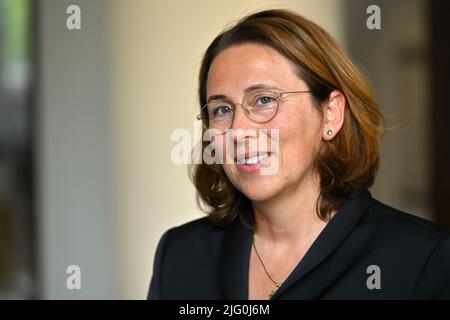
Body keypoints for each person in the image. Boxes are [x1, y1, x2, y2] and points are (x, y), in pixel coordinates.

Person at [148, 9, 450, 300]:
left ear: (331, 114)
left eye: (264, 100)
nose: (238, 130)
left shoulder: (422, 260)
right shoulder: (180, 254)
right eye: (222, 110)